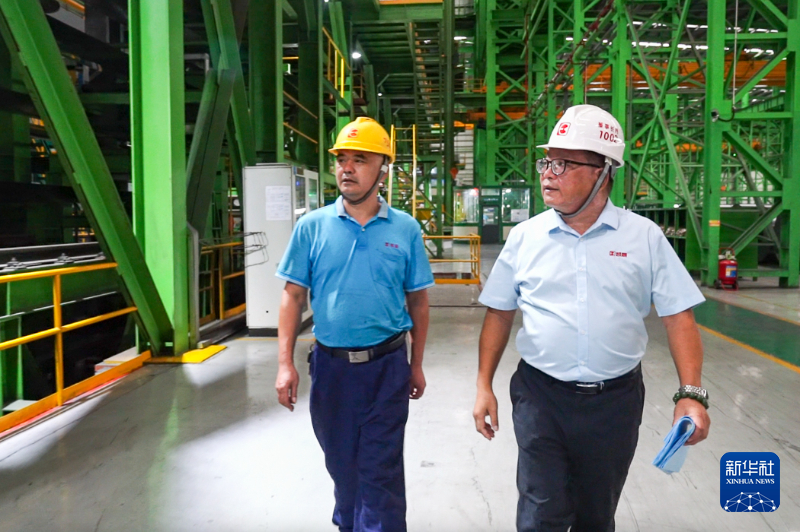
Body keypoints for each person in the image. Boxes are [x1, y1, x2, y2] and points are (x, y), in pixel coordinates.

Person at [472, 104, 711, 531]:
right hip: (540, 396)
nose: (548, 174)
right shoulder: (526, 237)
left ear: (603, 172)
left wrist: (690, 394)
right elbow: (499, 313)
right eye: (547, 162)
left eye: (563, 164)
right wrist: (483, 384)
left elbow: (679, 318)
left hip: (615, 404)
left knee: (597, 516)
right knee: (540, 513)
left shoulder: (644, 238)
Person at [275, 116, 434, 532]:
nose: (346, 168)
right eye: (341, 159)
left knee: (380, 470)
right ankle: (349, 522)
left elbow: (418, 301)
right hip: (331, 370)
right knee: (342, 466)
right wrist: (285, 364)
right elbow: (292, 296)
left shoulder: (405, 229)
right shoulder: (312, 228)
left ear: (383, 169)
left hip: (387, 367)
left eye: (359, 159)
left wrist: (416, 364)